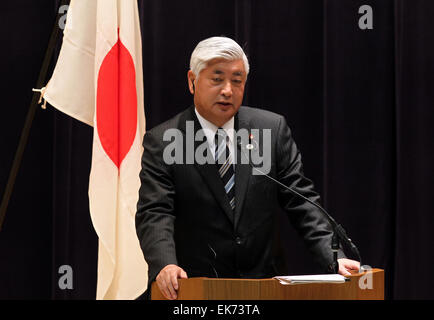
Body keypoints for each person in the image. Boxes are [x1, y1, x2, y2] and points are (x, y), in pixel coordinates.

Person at [135, 36, 360, 300]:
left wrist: (334, 258)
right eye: (217, 79)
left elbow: (303, 203)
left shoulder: (270, 130)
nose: (228, 90)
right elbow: (155, 211)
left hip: (262, 287)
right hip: (195, 289)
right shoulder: (164, 141)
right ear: (192, 81)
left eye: (237, 80)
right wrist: (164, 264)